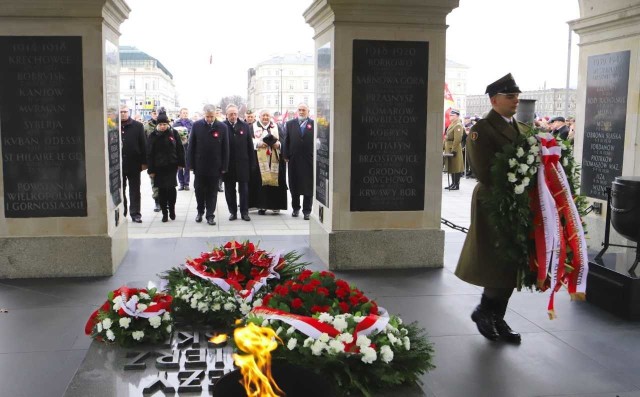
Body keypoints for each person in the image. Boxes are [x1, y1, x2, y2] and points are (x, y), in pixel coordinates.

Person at [455, 73, 523, 344]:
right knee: (496, 259)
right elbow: (484, 171)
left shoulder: (521, 127)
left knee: (511, 260)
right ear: (495, 100)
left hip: (517, 203)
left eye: (517, 96)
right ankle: (485, 311)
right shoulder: (482, 129)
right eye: (510, 96)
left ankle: (497, 316)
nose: (515, 100)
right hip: (494, 203)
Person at [188, 104, 229, 225]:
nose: (209, 119)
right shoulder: (196, 125)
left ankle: (210, 215)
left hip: (215, 166)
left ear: (215, 114)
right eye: (207, 117)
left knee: (212, 191)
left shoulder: (222, 127)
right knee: (199, 190)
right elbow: (191, 146)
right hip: (200, 165)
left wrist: (224, 166)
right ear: (203, 115)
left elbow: (225, 148)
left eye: (211, 116)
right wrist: (190, 164)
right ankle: (200, 211)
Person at [147, 111, 185, 222]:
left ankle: (172, 209)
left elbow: (180, 149)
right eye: (160, 124)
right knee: (162, 190)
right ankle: (164, 213)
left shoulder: (173, 133)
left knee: (171, 188)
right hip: (158, 168)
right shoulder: (153, 136)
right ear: (157, 125)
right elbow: (149, 154)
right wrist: (151, 170)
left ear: (168, 124)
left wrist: (181, 163)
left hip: (171, 166)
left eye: (165, 124)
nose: (163, 126)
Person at [252, 109, 288, 214]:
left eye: (267, 116)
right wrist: (257, 144)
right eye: (263, 115)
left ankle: (275, 205)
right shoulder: (253, 127)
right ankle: (261, 206)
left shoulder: (277, 127)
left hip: (275, 158)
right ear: (259, 116)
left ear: (270, 117)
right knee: (260, 182)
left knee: (275, 181)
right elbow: (248, 140)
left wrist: (279, 145)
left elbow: (284, 140)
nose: (265, 118)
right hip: (259, 159)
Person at [223, 104, 253, 221]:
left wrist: (252, 163)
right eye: (231, 114)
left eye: (235, 114)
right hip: (228, 165)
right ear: (227, 115)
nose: (233, 116)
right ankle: (233, 212)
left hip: (243, 163)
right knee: (229, 190)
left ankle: (244, 212)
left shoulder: (244, 126)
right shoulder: (223, 126)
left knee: (244, 190)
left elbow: (250, 146)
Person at [283, 103, 314, 219]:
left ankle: (307, 211)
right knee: (294, 185)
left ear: (308, 111)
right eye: (299, 110)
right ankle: (296, 208)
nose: (301, 112)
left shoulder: (313, 124)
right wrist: (286, 155)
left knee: (308, 186)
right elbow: (286, 140)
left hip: (308, 160)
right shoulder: (290, 124)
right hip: (294, 160)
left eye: (304, 110)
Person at [119, 105, 147, 223]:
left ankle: (135, 213)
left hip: (134, 164)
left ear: (128, 112)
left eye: (125, 111)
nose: (123, 114)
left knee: (135, 190)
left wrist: (144, 163)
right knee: (120, 190)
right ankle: (123, 211)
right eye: (121, 112)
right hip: (118, 165)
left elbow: (143, 145)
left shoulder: (138, 126)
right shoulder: (111, 125)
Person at [443, 109, 464, 190]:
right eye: (450, 115)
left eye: (453, 115)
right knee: (451, 166)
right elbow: (446, 138)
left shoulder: (458, 125)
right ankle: (453, 183)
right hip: (449, 148)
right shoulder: (452, 124)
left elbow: (458, 139)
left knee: (456, 166)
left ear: (457, 116)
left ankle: (456, 184)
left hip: (454, 149)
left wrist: (454, 149)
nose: (450, 116)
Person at [172, 108, 193, 191]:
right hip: (179, 147)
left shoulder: (191, 123)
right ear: (180, 114)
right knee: (180, 166)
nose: (185, 114)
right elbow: (172, 134)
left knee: (187, 166)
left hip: (188, 146)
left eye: (186, 113)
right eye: (184, 113)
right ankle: (181, 183)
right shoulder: (176, 123)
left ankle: (186, 183)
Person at [144, 109, 161, 212]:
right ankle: (157, 202)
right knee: (154, 182)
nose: (156, 115)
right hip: (152, 159)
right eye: (154, 113)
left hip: (165, 159)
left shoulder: (167, 126)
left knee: (166, 182)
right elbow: (143, 142)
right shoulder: (146, 127)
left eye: (158, 113)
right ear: (151, 114)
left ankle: (166, 201)